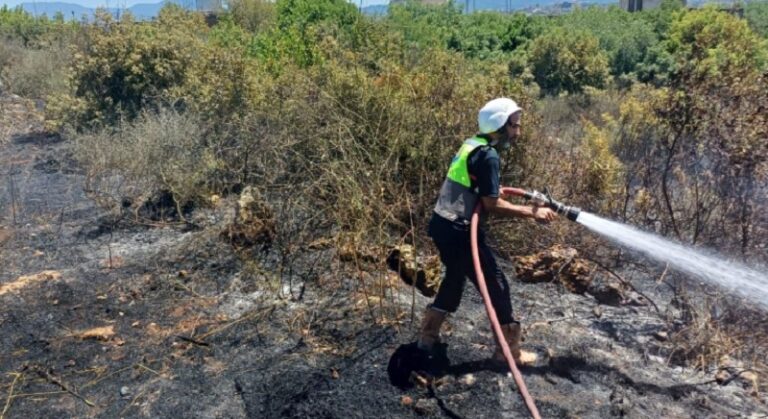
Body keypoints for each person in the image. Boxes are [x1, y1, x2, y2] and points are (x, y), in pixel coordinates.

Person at [419, 97, 557, 366]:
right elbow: (490, 204)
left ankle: (427, 338)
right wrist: (533, 213)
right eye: (514, 126)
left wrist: (494, 188)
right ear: (500, 126)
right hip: (460, 231)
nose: (517, 132)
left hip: (441, 224)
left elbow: (473, 182)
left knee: (455, 278)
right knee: (496, 284)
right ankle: (508, 354)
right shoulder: (489, 155)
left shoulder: (472, 144)